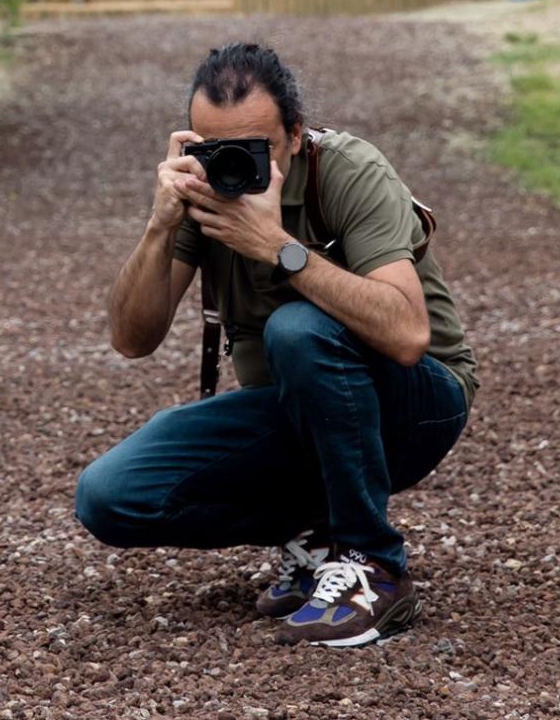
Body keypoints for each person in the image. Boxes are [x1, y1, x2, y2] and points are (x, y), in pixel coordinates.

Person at [74, 42, 478, 648]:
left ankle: (374, 568)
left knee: (297, 327)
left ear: (294, 133)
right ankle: (315, 534)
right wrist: (160, 223)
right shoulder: (202, 194)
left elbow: (407, 334)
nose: (233, 164)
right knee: (108, 496)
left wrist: (276, 246)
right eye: (215, 150)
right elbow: (132, 338)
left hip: (417, 405)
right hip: (300, 412)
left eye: (253, 148)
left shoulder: (346, 171)